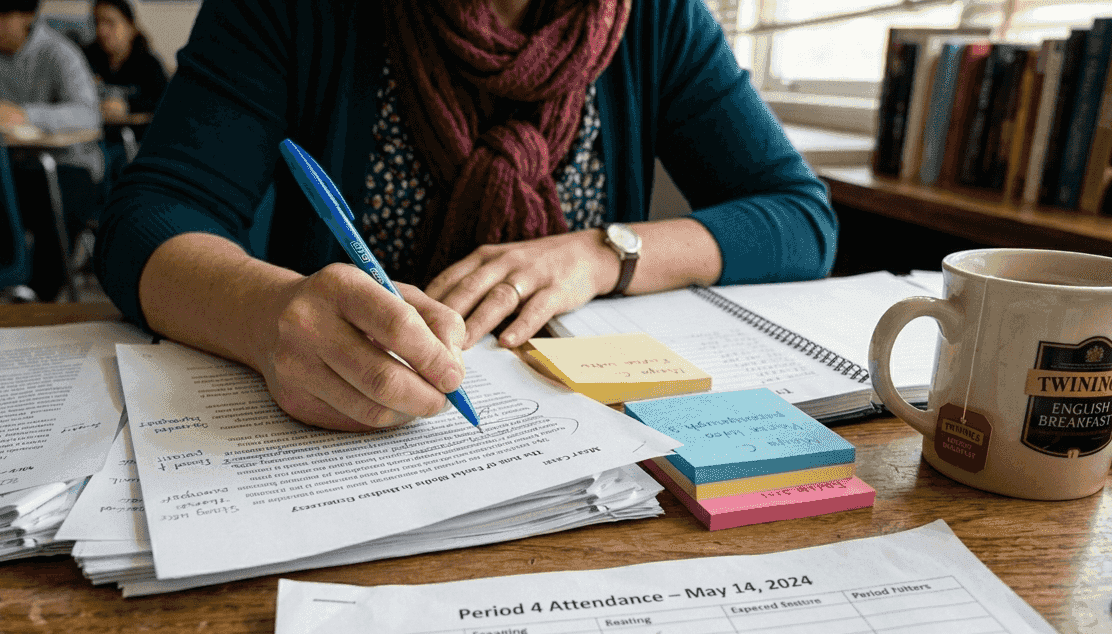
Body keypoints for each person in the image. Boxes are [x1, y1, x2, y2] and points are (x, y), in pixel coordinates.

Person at [96, 0, 838, 433]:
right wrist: (268, 315)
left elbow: (801, 218)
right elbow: (146, 217)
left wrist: (601, 254)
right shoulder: (294, 12)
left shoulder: (655, 18)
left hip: (587, 446)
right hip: (342, 447)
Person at [0, 0, 102, 300]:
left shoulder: (59, 52)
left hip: (61, 167)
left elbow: (89, 114)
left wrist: (25, 114)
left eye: (2, 10)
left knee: (62, 201)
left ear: (28, 13)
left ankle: (40, 297)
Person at [81, 0, 167, 119]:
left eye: (110, 22)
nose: (101, 31)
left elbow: (164, 103)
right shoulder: (84, 59)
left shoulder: (149, 65)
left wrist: (128, 106)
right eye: (97, 23)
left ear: (130, 27)